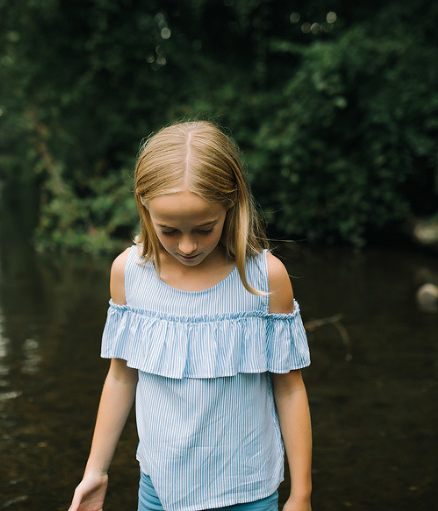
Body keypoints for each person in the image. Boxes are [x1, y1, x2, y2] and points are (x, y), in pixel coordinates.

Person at [68, 120, 313, 511]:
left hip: (247, 493)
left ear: (231, 201)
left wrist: (301, 494)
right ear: (144, 207)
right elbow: (120, 376)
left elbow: (289, 388)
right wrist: (95, 472)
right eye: (169, 230)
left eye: (204, 228)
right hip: (159, 491)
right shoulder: (129, 274)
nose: (186, 246)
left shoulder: (265, 279)